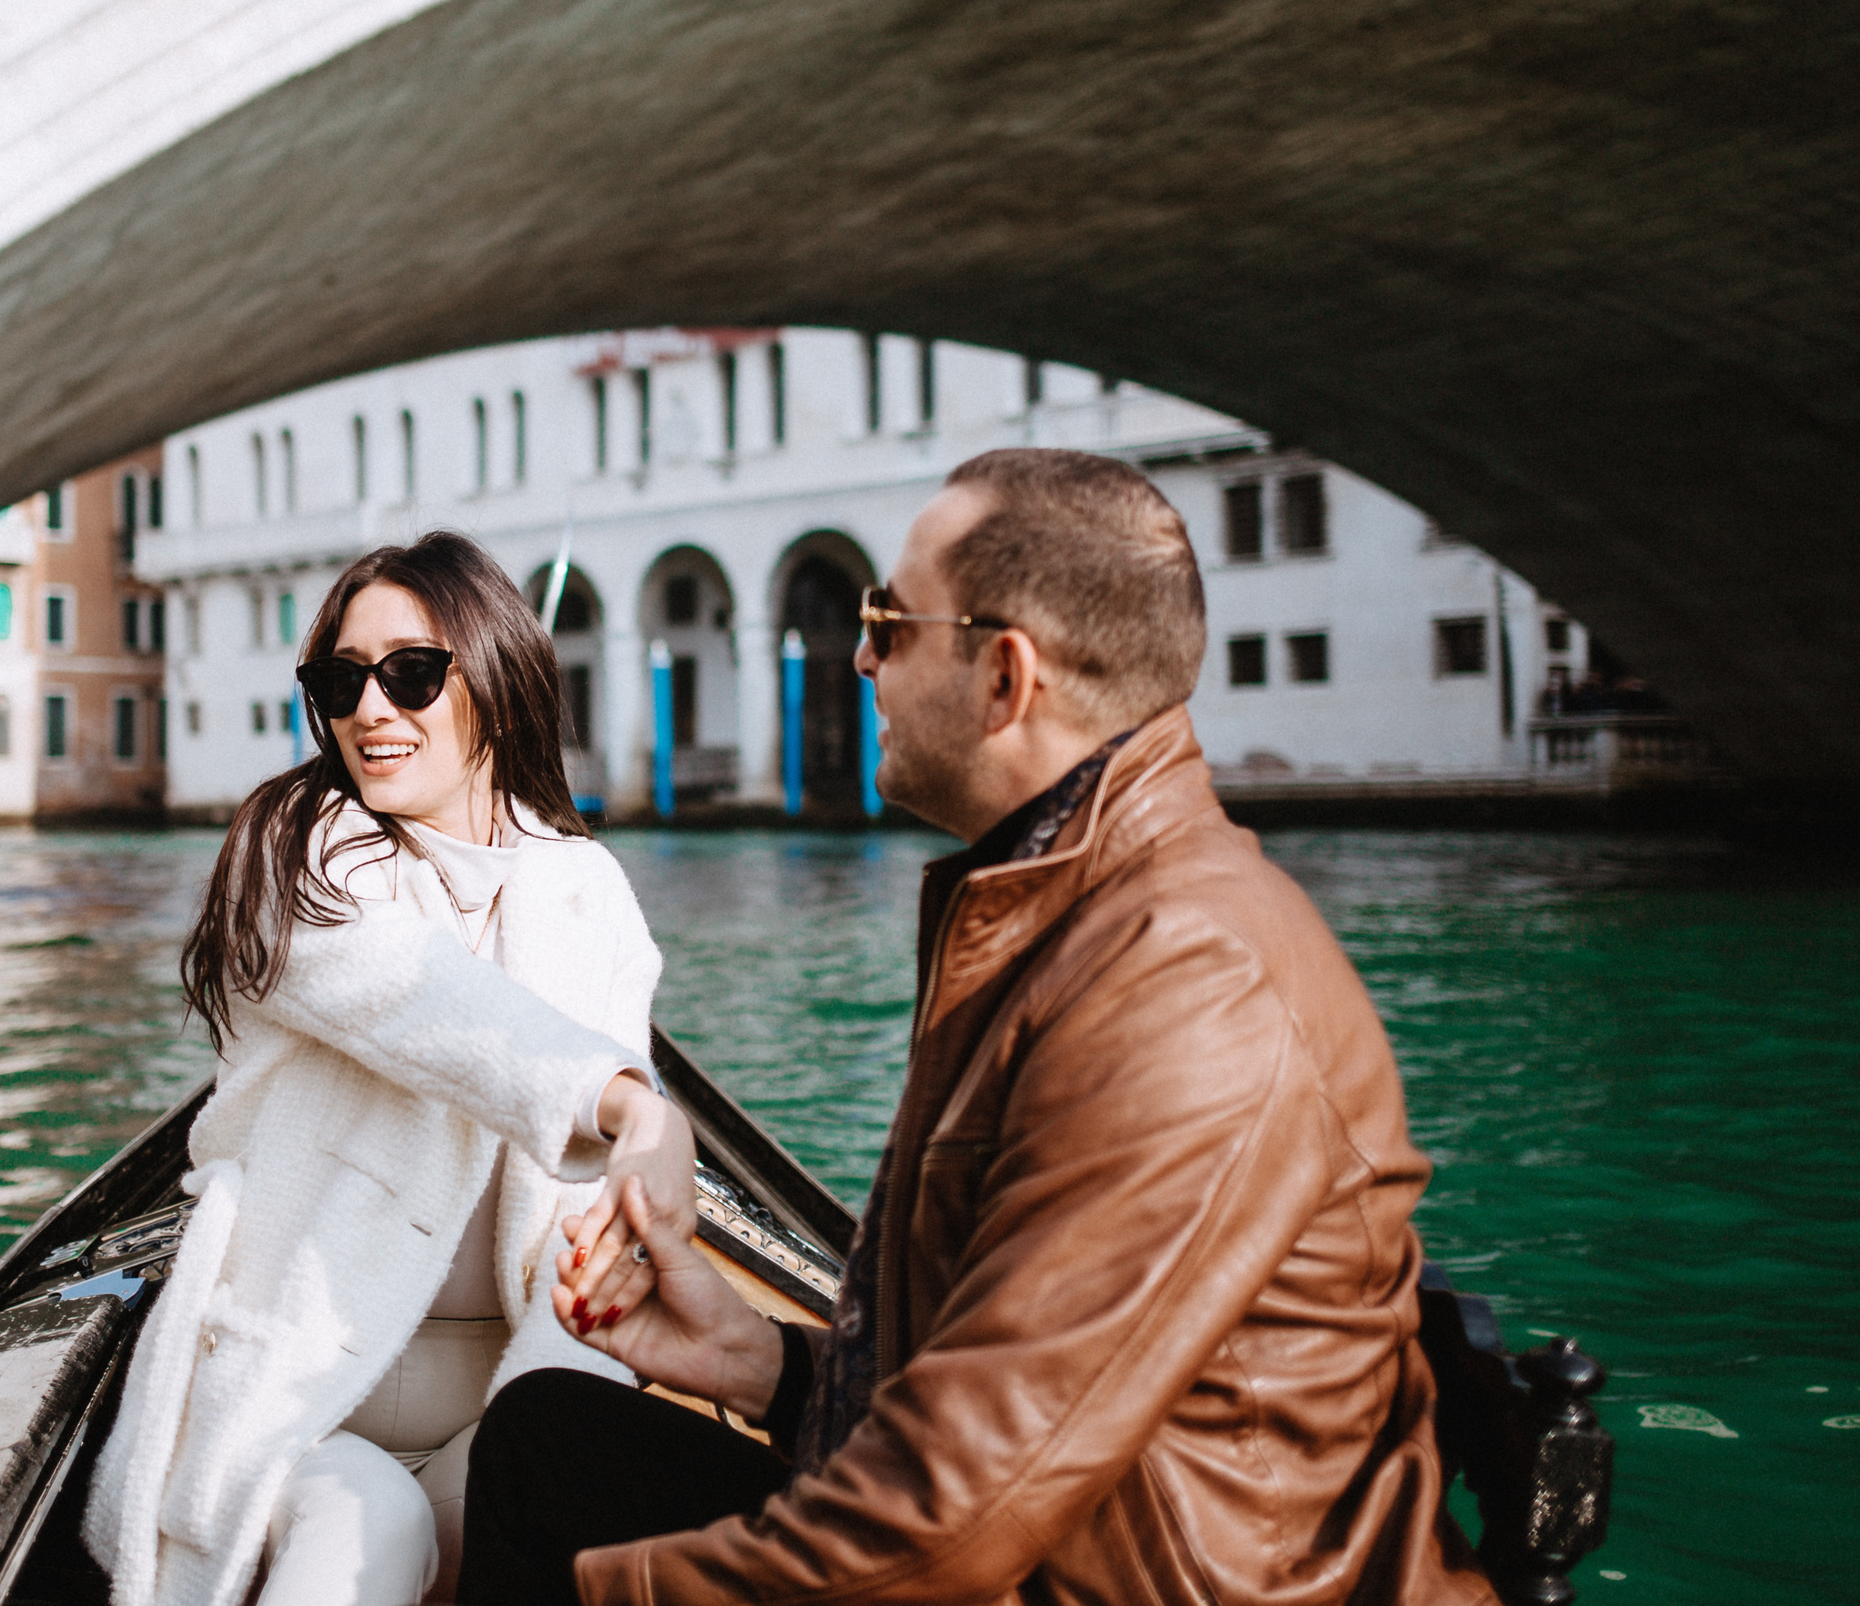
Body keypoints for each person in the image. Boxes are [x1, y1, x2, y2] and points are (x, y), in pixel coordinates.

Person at [460, 450, 1499, 1606]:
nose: (860, 657)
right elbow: (1008, 1388)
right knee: (546, 1441)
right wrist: (769, 1366)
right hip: (1063, 1540)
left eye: (888, 625)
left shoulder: (1187, 980)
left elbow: (951, 1528)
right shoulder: (1068, 913)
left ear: (1004, 676)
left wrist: (614, 1597)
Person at [81, 531, 697, 1606]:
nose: (369, 708)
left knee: (596, 1482)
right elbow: (426, 1004)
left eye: (409, 673)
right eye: (341, 680)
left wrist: (556, 1410)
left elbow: (582, 1227)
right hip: (294, 1406)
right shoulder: (291, 856)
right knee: (372, 1521)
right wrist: (638, 1110)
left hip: (494, 1407)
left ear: (493, 678)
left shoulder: (585, 891)